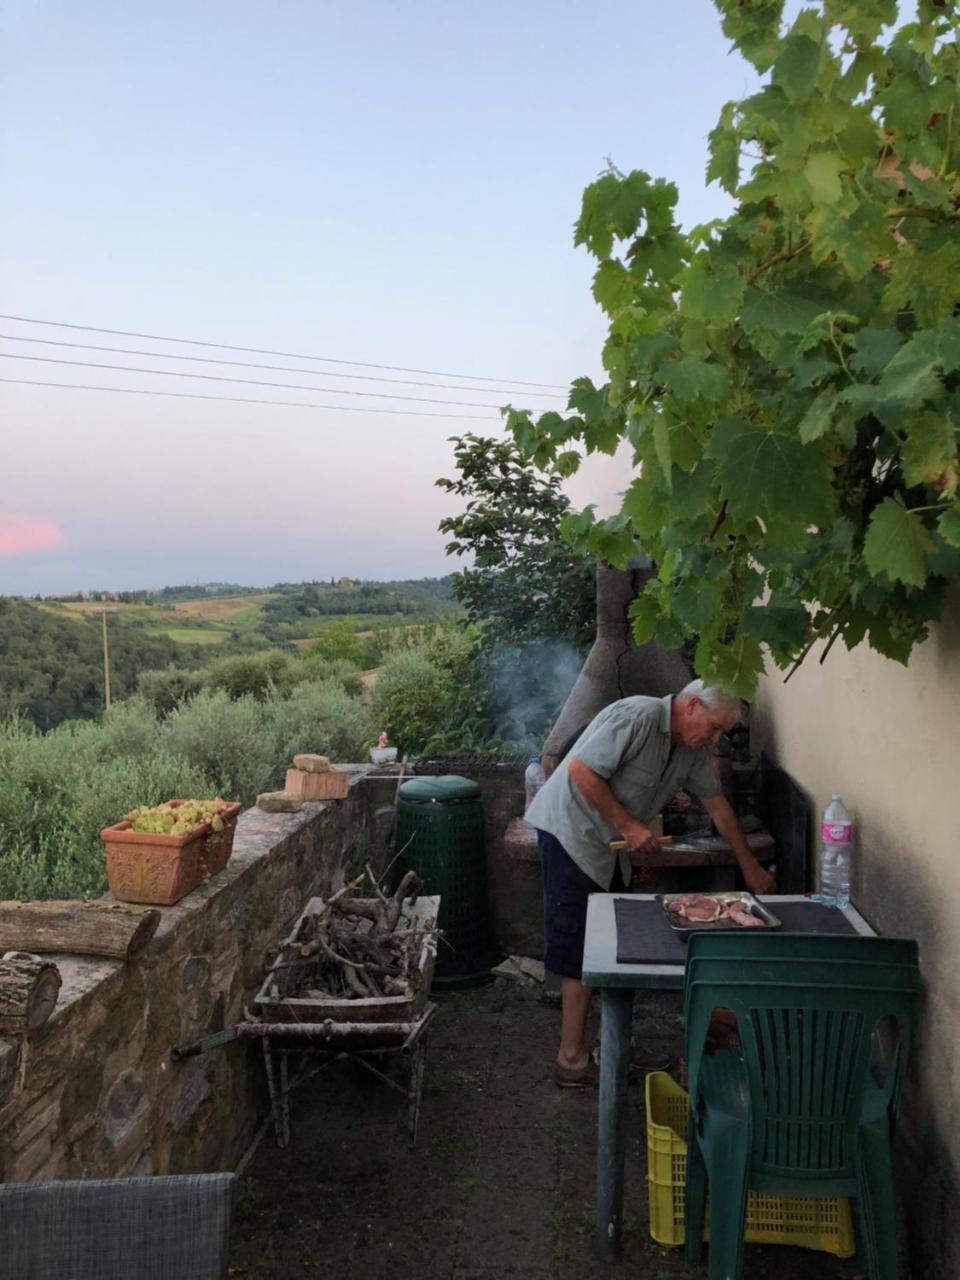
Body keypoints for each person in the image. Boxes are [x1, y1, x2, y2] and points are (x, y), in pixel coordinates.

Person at [526, 679, 776, 1087]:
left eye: (720, 733)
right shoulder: (638, 716)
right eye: (713, 727)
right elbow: (580, 770)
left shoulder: (690, 751)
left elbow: (719, 807)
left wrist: (750, 866)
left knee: (613, 945)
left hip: (606, 847)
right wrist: (629, 824)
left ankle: (612, 1046)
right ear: (693, 705)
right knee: (578, 946)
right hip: (569, 833)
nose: (714, 739)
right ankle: (571, 1060)